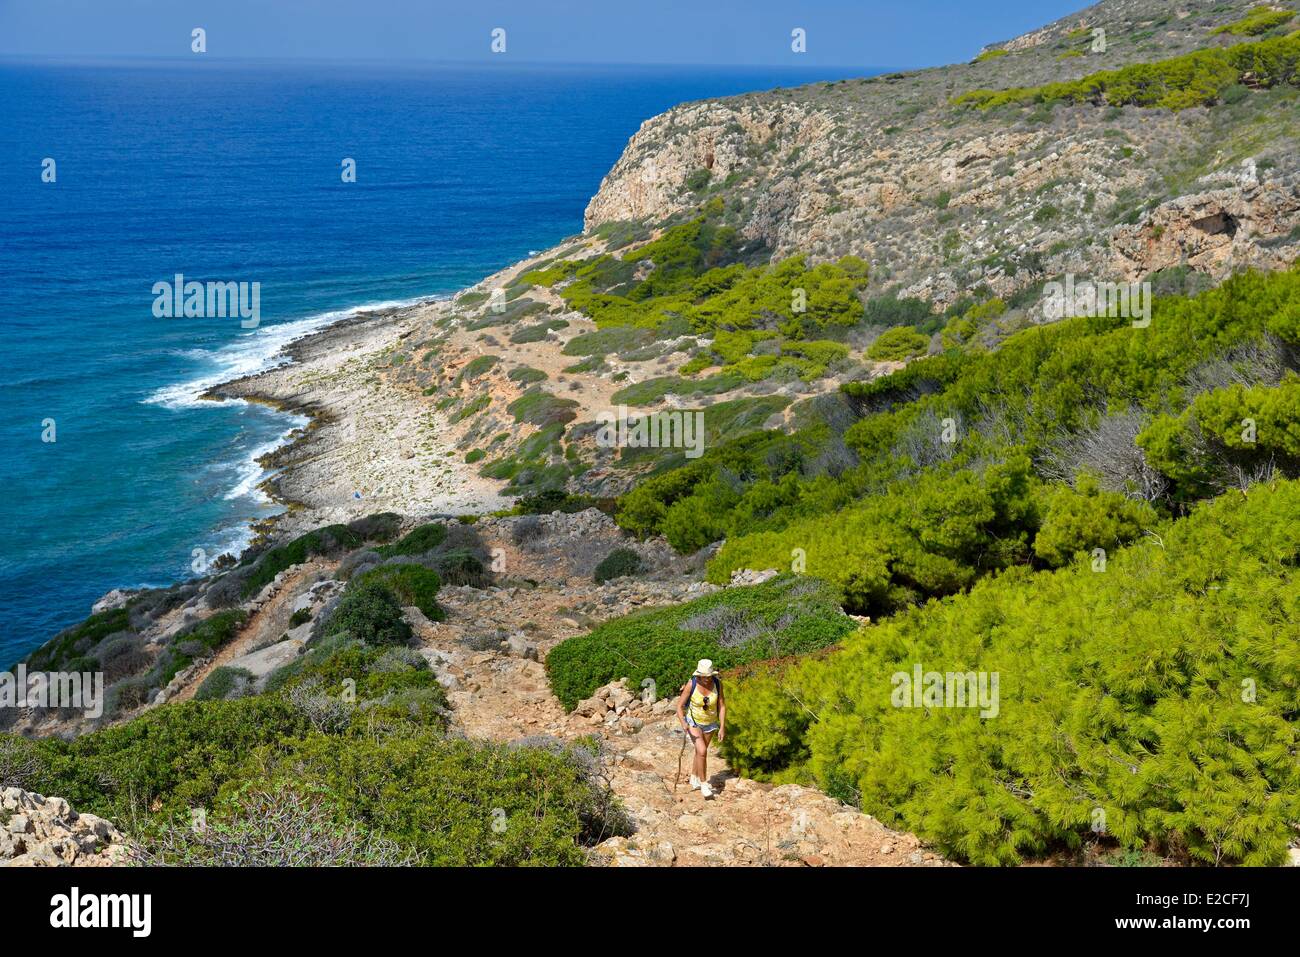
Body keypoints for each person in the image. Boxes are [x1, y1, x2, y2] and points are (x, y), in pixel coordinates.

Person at [677, 658, 726, 798]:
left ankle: (694, 777)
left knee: (700, 752)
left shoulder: (717, 684)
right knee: (703, 751)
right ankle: (704, 784)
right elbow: (680, 706)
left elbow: (722, 705)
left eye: (709, 676)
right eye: (704, 677)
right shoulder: (691, 684)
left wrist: (722, 726)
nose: (707, 679)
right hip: (694, 722)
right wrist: (683, 722)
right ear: (698, 675)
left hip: (710, 723)